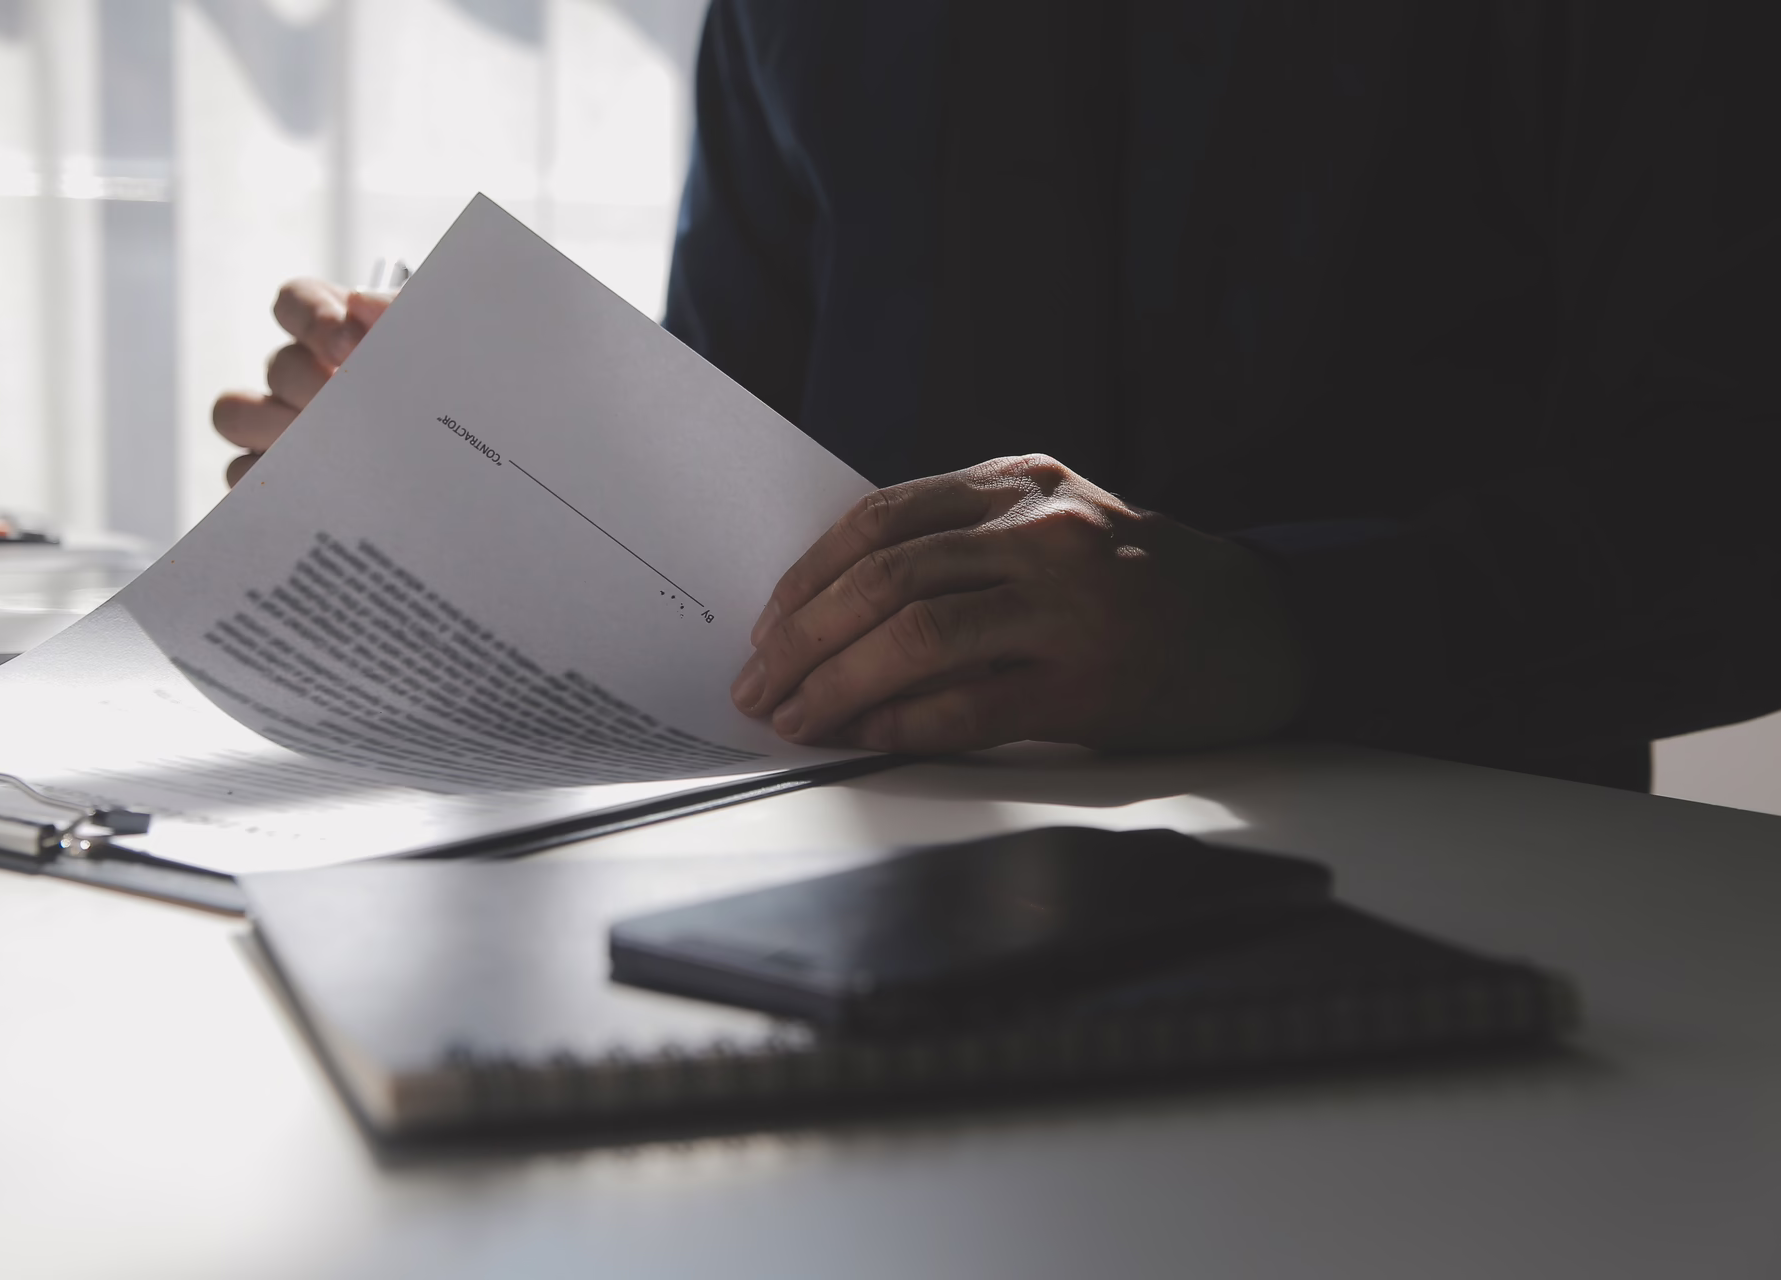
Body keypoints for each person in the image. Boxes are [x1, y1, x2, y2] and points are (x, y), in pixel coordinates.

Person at [213, 0, 1781, 790]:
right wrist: (477, 479)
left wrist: (1287, 620)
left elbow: (1735, 500)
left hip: (1450, 954)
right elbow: (742, 468)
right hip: (812, 911)